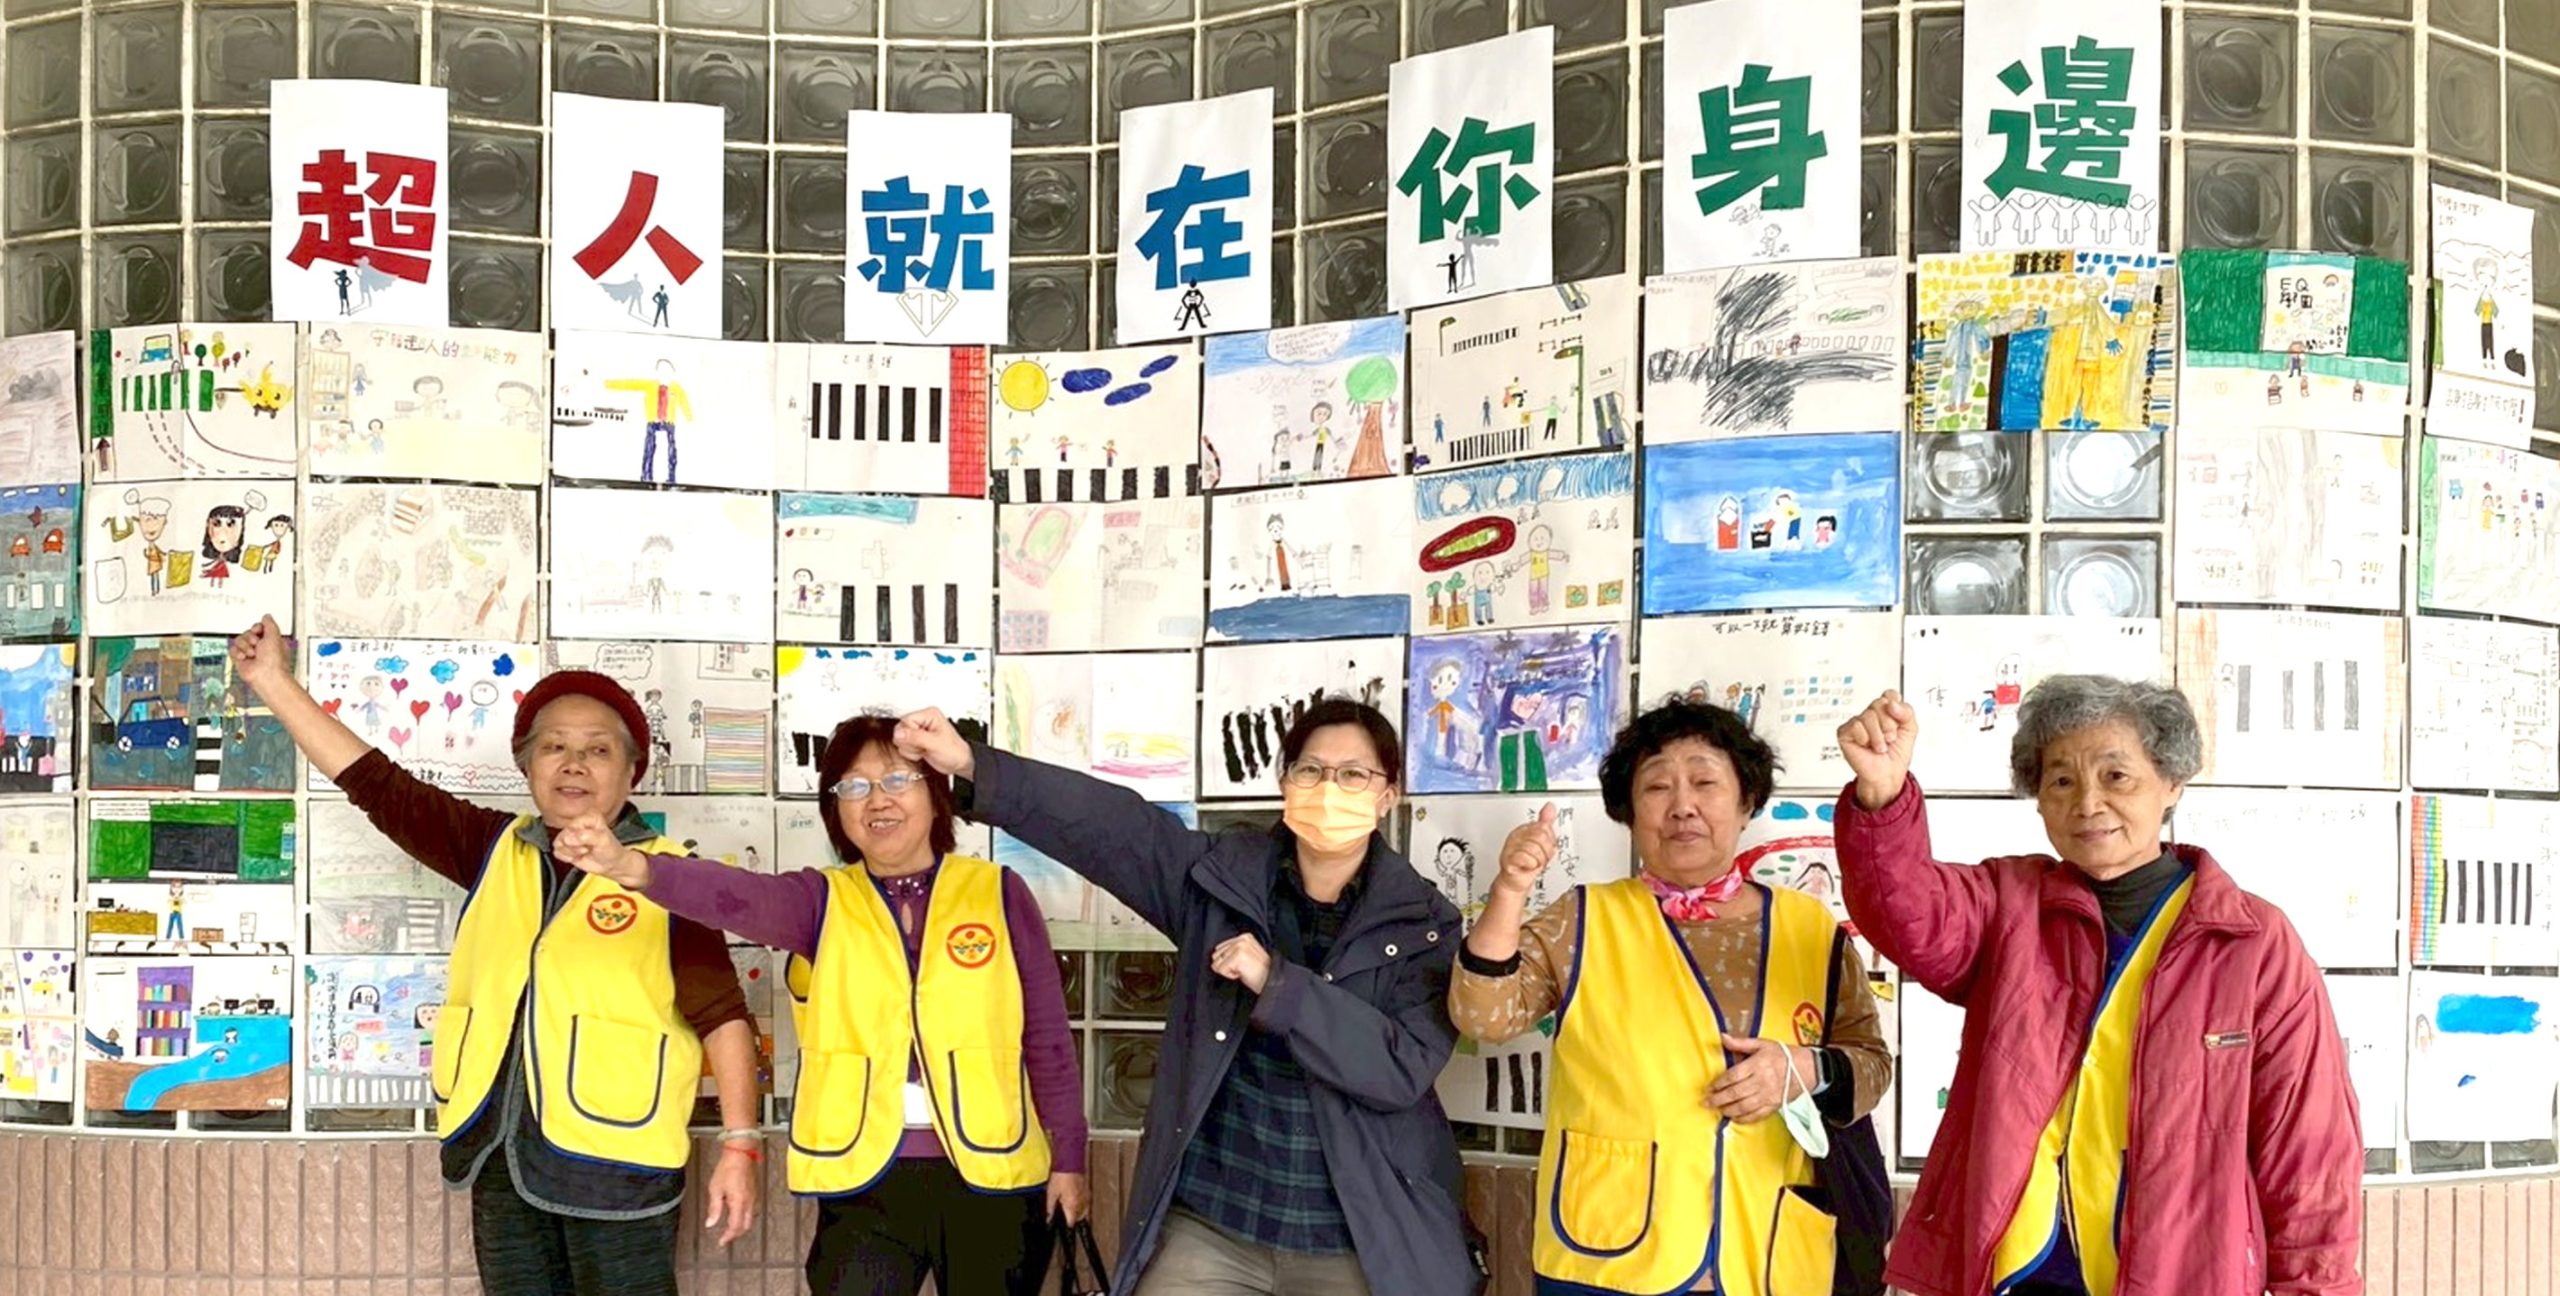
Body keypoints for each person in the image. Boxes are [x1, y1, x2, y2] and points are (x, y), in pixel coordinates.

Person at [228, 615, 762, 1296]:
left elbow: (724, 1018)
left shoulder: (669, 878)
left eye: (598, 750)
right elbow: (376, 784)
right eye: (553, 747)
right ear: (526, 766)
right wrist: (272, 682)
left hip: (620, 1164)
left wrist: (741, 1146)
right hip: (499, 1156)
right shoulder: (490, 848)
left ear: (632, 772)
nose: (573, 763)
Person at [893, 699, 1476, 1296]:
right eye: (1310, 770)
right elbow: (1111, 827)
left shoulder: (1424, 924)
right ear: (1285, 783)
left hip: (1356, 1236)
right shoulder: (1218, 880)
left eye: (1353, 774)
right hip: (1213, 1224)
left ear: (1387, 795)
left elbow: (1398, 1070)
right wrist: (971, 763)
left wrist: (1276, 983)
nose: (1328, 789)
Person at [1832, 680, 2362, 1296]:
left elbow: (2309, 1152)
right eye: (2061, 780)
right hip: (2012, 1277)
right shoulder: (2009, 905)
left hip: (2180, 1276)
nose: (2088, 803)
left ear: (2172, 783)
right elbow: (1910, 915)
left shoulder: (2252, 942)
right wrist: (1883, 795)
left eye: (2117, 777)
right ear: (2038, 800)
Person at [554, 714, 1088, 1296]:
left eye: (897, 780)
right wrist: (630, 866)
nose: (877, 800)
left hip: (996, 1171)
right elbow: (732, 896)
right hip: (864, 1178)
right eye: (854, 786)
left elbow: (1047, 1036)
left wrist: (1069, 1157)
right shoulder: (820, 900)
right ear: (837, 811)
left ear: (935, 793)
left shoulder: (997, 893)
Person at [1455, 699, 1893, 1295]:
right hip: (1610, 1253)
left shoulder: (1810, 927)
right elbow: (1481, 1015)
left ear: (1746, 802)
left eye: (1705, 783)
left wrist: (1804, 1069)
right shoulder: (1582, 918)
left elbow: (1871, 1064)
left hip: (1768, 1252)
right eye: (1657, 786)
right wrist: (1509, 889)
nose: (1682, 805)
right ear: (1630, 813)